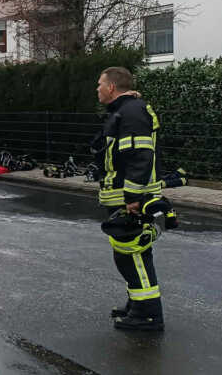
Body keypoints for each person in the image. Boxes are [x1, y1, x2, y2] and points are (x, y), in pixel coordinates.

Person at [95, 66, 166, 331]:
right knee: (127, 254)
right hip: (122, 196)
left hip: (131, 198)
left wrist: (133, 197)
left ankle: (148, 313)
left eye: (100, 84)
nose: (97, 89)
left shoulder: (132, 112)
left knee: (133, 254)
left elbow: (139, 156)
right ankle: (137, 303)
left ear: (111, 87)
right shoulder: (126, 110)